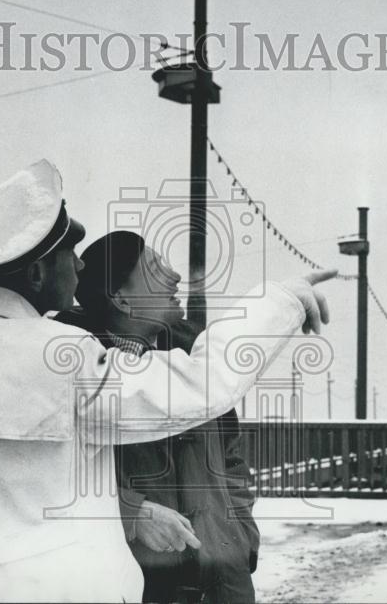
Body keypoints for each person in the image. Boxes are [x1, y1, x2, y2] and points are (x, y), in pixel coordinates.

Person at [0, 159, 335, 603]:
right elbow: (203, 384)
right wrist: (280, 300)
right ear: (39, 273)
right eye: (71, 254)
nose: (81, 267)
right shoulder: (65, 360)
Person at [55, 231, 260, 604]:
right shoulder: (71, 375)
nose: (176, 277)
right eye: (154, 269)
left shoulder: (198, 364)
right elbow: (48, 479)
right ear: (121, 298)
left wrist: (241, 537)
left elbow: (232, 460)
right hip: (133, 588)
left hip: (222, 583)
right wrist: (131, 512)